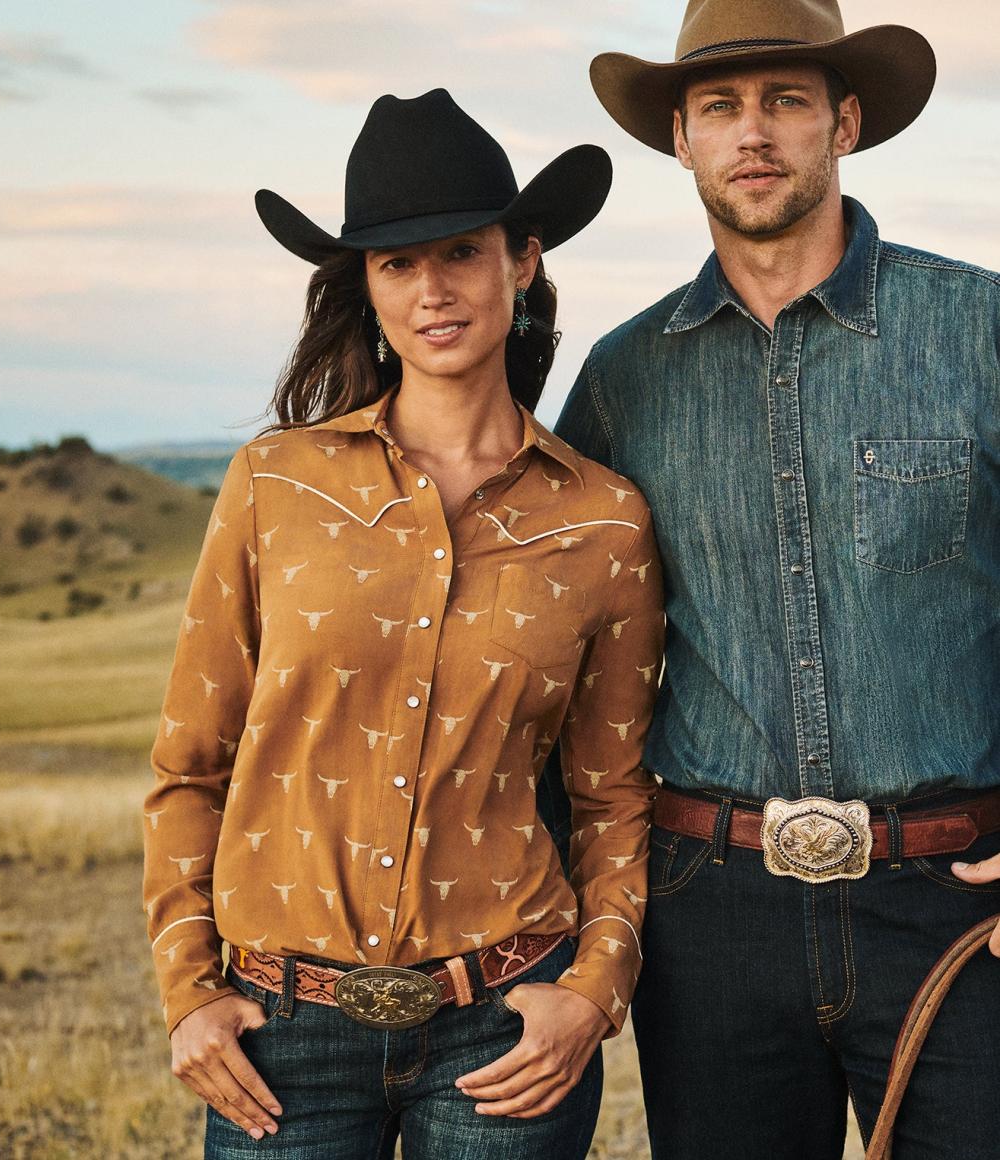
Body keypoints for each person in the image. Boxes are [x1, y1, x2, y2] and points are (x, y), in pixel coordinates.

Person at [142, 88, 665, 1160]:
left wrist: (594, 987)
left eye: (462, 252)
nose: (432, 289)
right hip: (280, 1038)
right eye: (396, 263)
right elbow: (192, 762)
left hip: (504, 1028)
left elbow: (613, 798)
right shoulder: (274, 483)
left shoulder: (603, 520)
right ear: (366, 286)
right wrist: (189, 992)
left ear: (522, 261)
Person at [548, 1, 1000, 1157]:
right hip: (710, 910)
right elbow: (557, 646)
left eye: (784, 100)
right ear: (680, 138)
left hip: (957, 898)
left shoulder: (977, 327)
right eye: (718, 106)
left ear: (842, 122)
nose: (750, 132)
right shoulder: (621, 378)